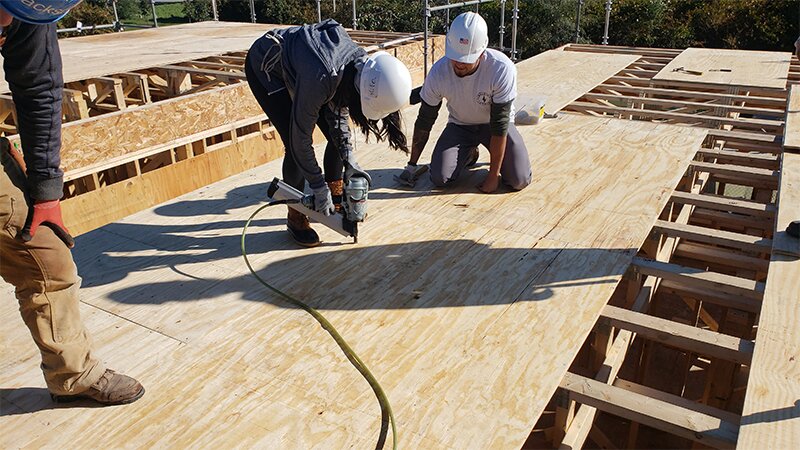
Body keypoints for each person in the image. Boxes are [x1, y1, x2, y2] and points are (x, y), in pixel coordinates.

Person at [1, 1, 144, 405]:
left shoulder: (29, 9)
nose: (8, 23)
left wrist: (45, 189)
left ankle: (73, 375)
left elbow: (38, 86)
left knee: (47, 258)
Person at [245, 19, 412, 247]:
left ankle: (336, 194)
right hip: (267, 66)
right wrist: (316, 185)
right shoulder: (321, 78)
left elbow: (340, 122)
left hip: (307, 66)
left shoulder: (361, 68)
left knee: (337, 138)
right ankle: (296, 215)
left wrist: (350, 161)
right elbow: (300, 139)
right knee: (293, 146)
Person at [399, 12, 532, 193]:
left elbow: (499, 126)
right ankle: (469, 153)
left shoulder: (500, 69)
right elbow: (424, 120)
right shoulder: (439, 73)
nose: (459, 64)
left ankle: (498, 164)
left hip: (494, 126)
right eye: (456, 57)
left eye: (466, 60)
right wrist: (411, 165)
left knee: (519, 179)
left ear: (481, 52)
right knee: (439, 177)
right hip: (460, 126)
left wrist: (493, 178)